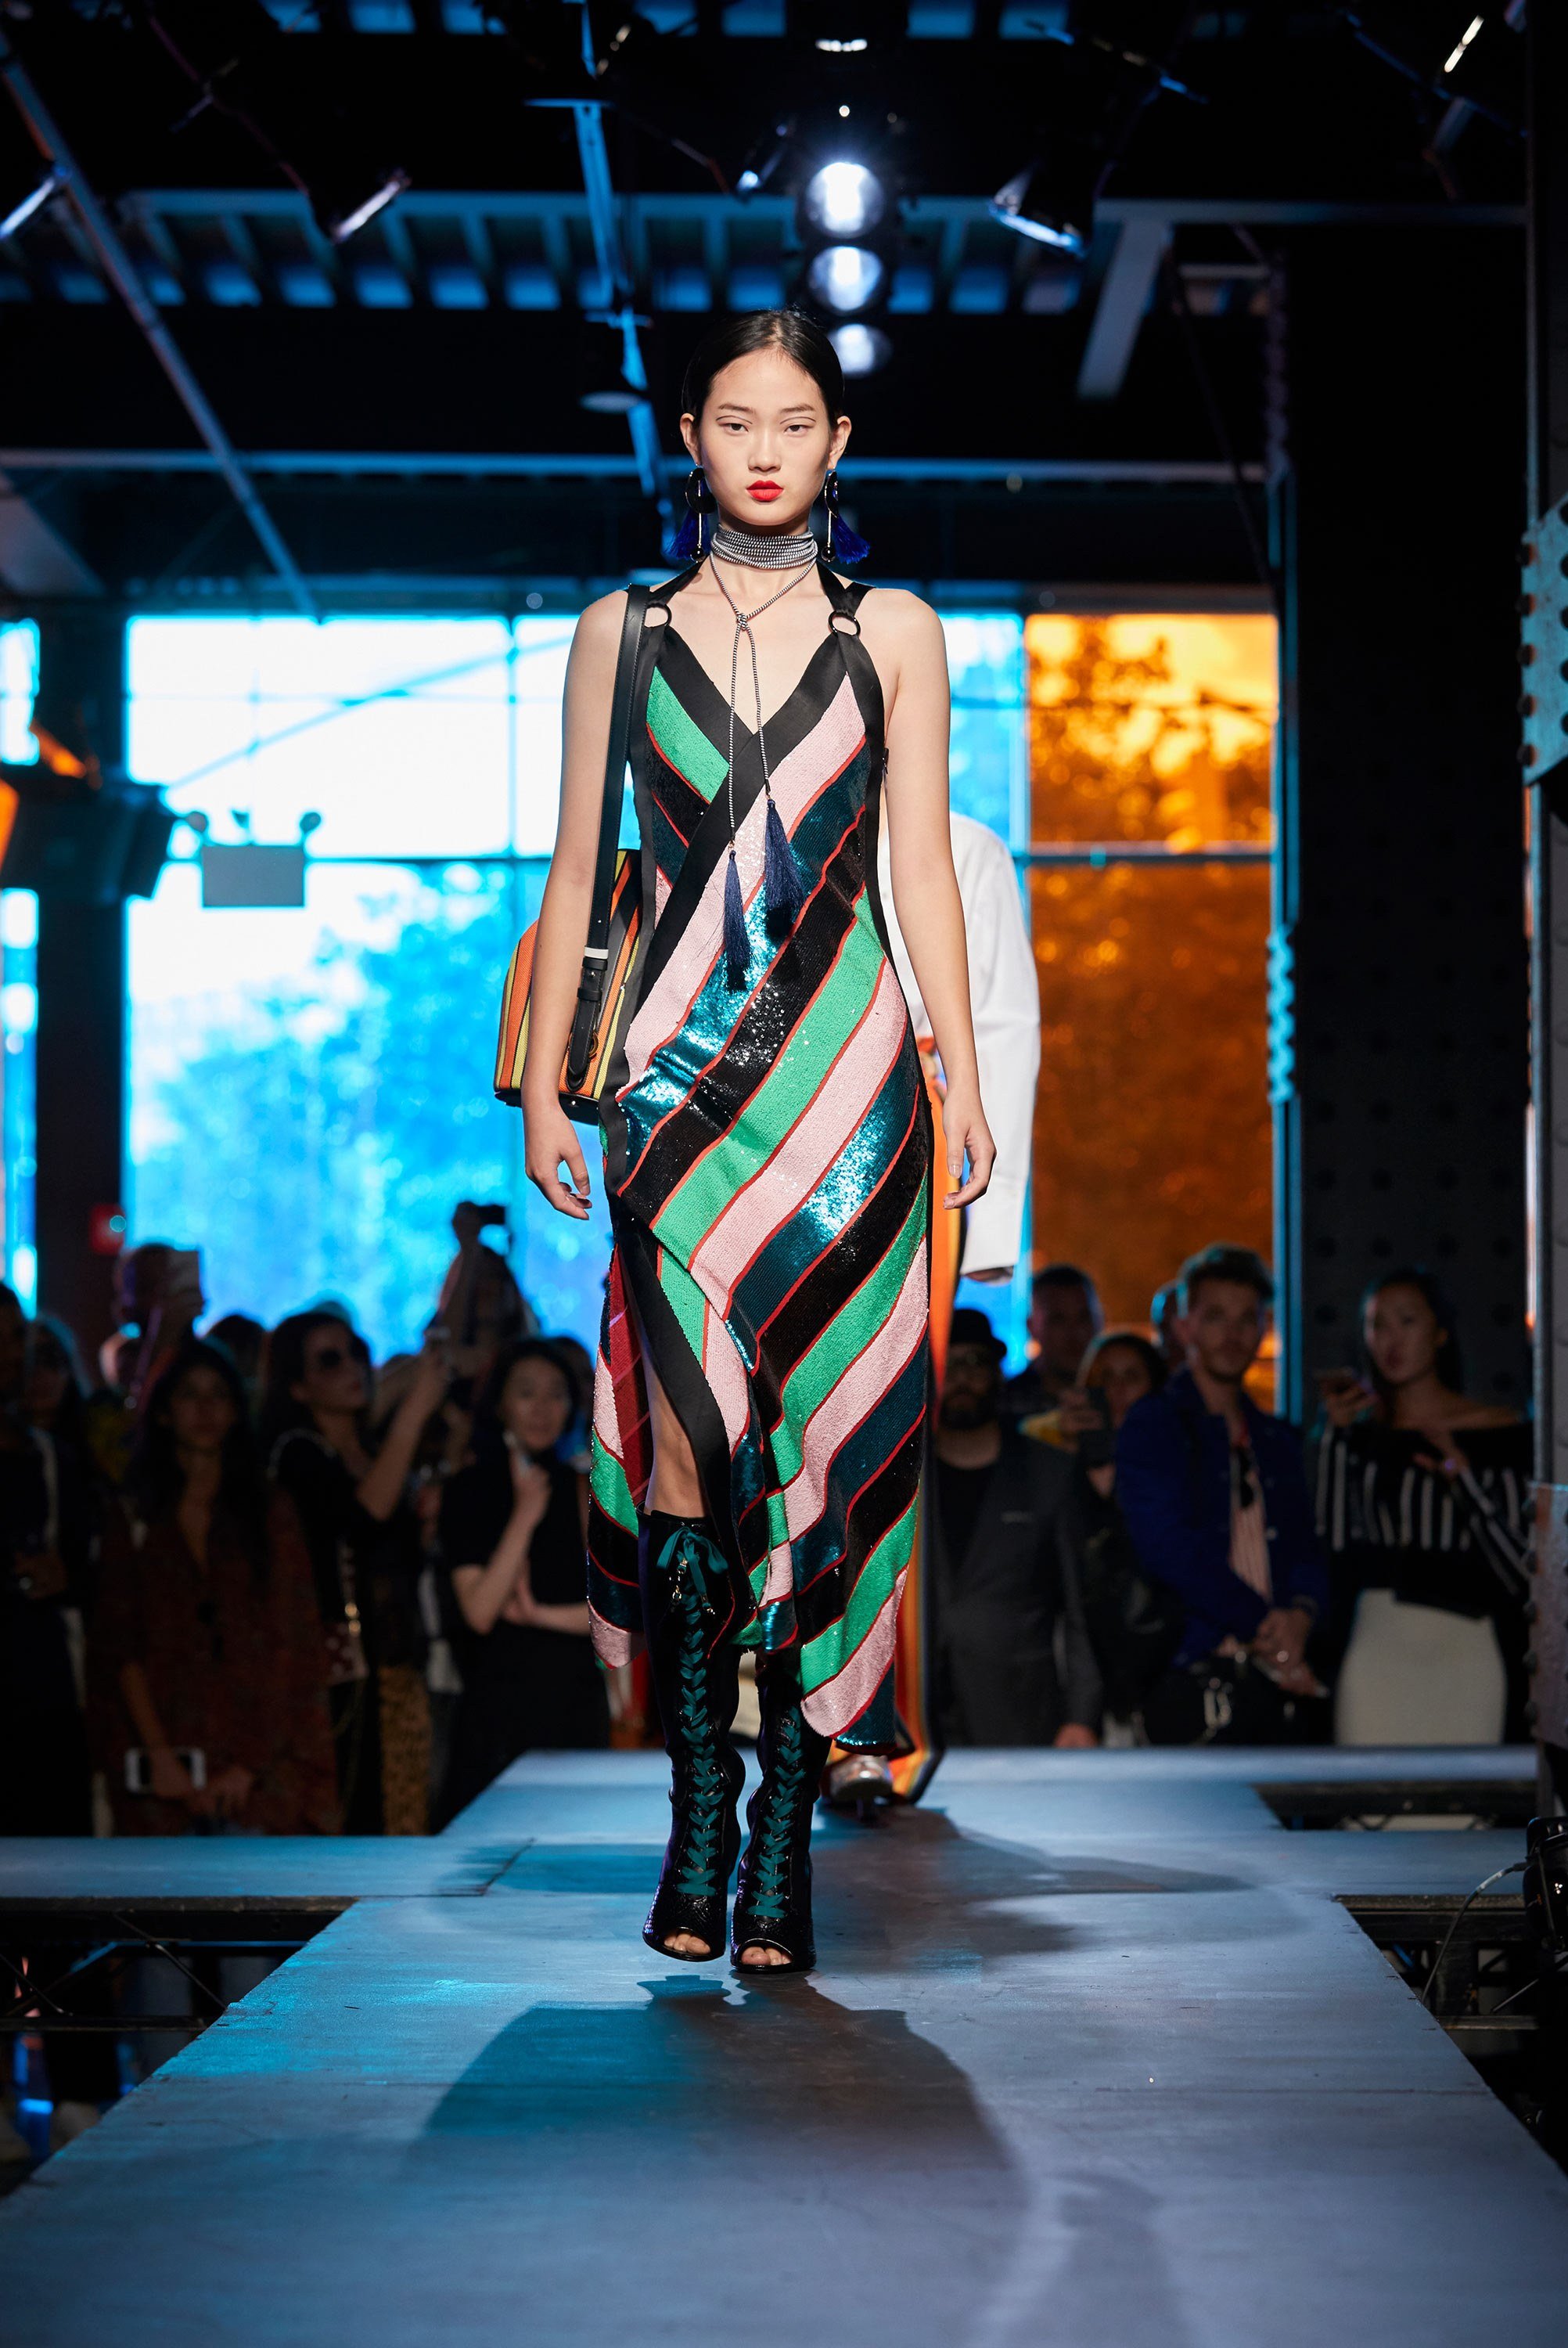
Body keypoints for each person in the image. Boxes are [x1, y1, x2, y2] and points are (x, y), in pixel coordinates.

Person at [522, 308, 994, 1973]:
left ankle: (788, 1831)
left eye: (796, 422)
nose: (767, 450)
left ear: (837, 442)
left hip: (848, 1095)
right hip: (668, 1096)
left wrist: (963, 1076)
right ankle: (699, 1809)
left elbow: (918, 869)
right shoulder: (620, 630)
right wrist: (550, 1088)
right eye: (735, 421)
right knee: (685, 1456)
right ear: (690, 436)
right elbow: (576, 870)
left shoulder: (897, 631)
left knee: (825, 1453)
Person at [89, 1338, 336, 1836]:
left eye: (219, 1395)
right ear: (164, 1411)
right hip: (165, 1757)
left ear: (236, 1409)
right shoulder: (134, 1514)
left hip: (265, 1764)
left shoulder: (268, 1510)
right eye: (189, 1394)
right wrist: (160, 1755)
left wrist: (251, 1760)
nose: (204, 1409)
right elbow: (120, 1643)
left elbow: (293, 1639)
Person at [1117, 1245, 1329, 1746]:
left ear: (1264, 1327)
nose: (1232, 1334)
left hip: (1278, 1678)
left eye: (1247, 1319)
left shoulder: (1276, 1438)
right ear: (1185, 1327)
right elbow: (1167, 1546)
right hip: (1191, 1671)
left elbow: (1307, 1544)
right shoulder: (1154, 1424)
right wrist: (1263, 1624)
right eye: (1215, 1317)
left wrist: (1301, 1615)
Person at [1315, 1268, 1531, 1746]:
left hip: (1466, 1643)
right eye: (1377, 1325)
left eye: (1407, 1321)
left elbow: (1521, 1570)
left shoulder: (1499, 1431)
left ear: (1440, 1332)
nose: (1390, 1339)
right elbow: (1334, 1544)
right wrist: (1333, 1439)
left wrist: (1463, 1482)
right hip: (1378, 1641)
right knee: (1371, 1787)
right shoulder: (1362, 1436)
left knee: (1465, 1791)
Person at [261, 1311, 451, 1834]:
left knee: (405, 1818)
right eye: (330, 1360)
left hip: (398, 1660)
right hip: (335, 1670)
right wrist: (414, 1412)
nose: (352, 1368)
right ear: (298, 1386)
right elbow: (362, 1516)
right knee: (353, 1816)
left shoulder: (371, 1450)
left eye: (357, 1353)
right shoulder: (298, 1453)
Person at [436, 1338, 608, 1824]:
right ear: (501, 1404)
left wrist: (539, 1616)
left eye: (556, 1393)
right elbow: (480, 1611)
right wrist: (525, 1515)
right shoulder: (469, 1490)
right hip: (498, 1707)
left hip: (573, 1699)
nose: (542, 1408)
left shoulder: (585, 1487)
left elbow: (615, 1614)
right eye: (526, 1392)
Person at [930, 1309, 1099, 1747]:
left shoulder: (1049, 1473)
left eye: (975, 1363)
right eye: (949, 1365)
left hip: (1020, 1711)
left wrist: (1082, 1716)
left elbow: (1081, 1606)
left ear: (997, 1374)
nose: (962, 1379)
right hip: (918, 1714)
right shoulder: (899, 1481)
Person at [1045, 1333, 1173, 1734]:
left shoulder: (1176, 1466)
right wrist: (1061, 1448)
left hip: (1158, 1661)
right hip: (1078, 1666)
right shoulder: (1058, 1460)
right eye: (1105, 1378)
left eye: (1131, 1377)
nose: (1117, 1390)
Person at [1002, 1265, 1104, 1421]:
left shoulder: (1117, 1399)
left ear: (1100, 1322)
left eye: (1084, 1318)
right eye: (1058, 1320)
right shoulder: (1005, 1405)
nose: (1073, 1333)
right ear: (1031, 1327)